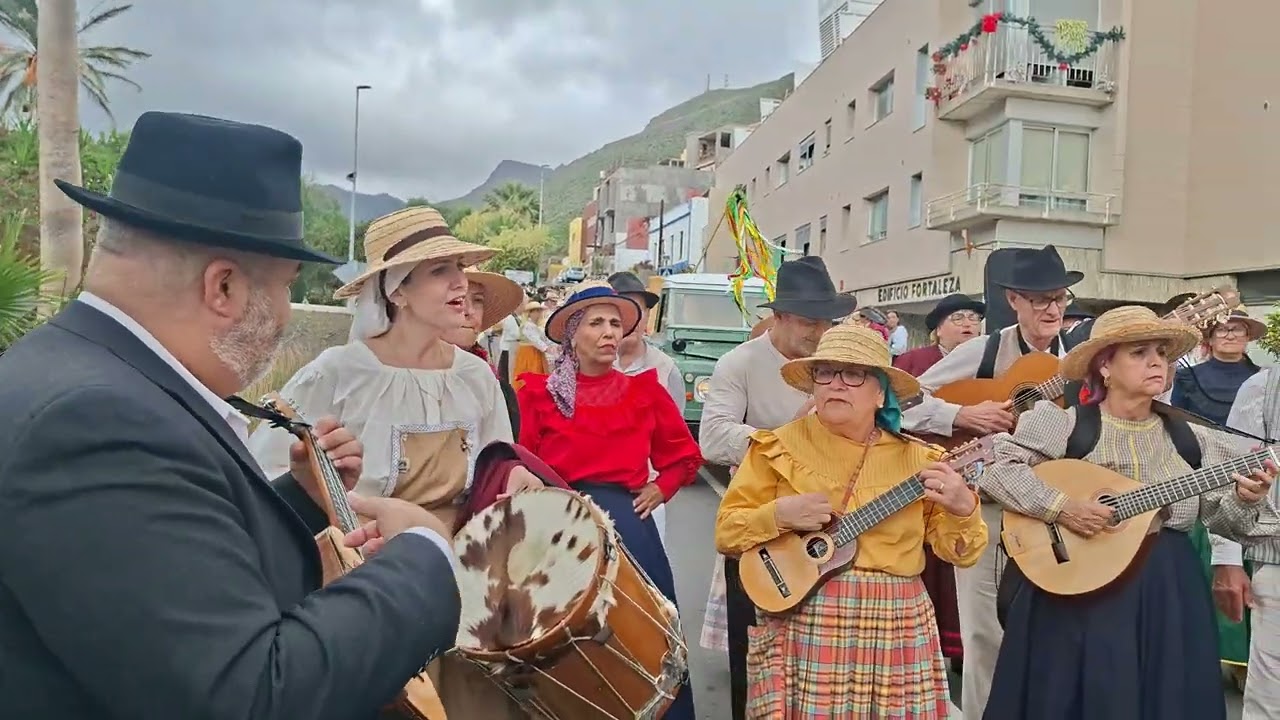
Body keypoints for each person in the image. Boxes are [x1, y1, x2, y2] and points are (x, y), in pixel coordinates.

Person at [0, 112, 460, 719]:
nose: (286, 315)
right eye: (285, 287)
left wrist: (296, 498)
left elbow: (163, 563)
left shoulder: (82, 371)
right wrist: (425, 553)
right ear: (223, 288)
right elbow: (253, 696)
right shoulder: (95, 422)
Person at [247, 206, 529, 717]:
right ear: (396, 290)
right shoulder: (340, 372)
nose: (461, 284)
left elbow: (492, 475)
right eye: (440, 271)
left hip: (461, 583)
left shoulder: (475, 377)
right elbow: (264, 478)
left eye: (461, 269)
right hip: (369, 584)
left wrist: (516, 483)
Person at [982, 305, 1279, 720]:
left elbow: (1226, 521)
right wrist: (1062, 506)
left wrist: (1247, 499)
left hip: (1167, 585)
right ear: (1104, 366)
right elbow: (997, 472)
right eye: (1140, 352)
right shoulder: (1066, 424)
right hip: (1077, 584)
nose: (1157, 362)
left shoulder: (1192, 439)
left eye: (1163, 353)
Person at [716, 321, 987, 718]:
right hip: (808, 617)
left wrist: (964, 508)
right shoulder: (777, 448)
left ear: (881, 393)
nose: (836, 384)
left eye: (854, 374)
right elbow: (726, 532)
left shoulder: (922, 461)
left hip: (898, 623)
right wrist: (779, 514)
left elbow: (960, 553)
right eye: (825, 373)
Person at [901, 244, 1082, 719]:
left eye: (1060, 299)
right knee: (984, 631)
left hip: (1057, 504)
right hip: (984, 503)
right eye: (1040, 299)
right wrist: (962, 412)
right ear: (1014, 301)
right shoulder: (983, 350)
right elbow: (905, 402)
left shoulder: (1082, 360)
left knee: (1058, 629)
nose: (1052, 309)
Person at [516, 282, 702, 720]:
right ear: (572, 334)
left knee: (649, 632)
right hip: (560, 527)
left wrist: (661, 488)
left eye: (615, 323)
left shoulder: (645, 392)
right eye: (596, 323)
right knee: (564, 638)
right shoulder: (539, 395)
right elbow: (521, 462)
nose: (609, 333)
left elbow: (683, 456)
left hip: (626, 525)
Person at [698, 255, 856, 720]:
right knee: (754, 648)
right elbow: (713, 437)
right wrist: (786, 438)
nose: (818, 332)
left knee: (822, 653)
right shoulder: (740, 363)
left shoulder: (836, 362)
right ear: (780, 316)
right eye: (809, 322)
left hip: (832, 523)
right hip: (757, 525)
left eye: (826, 322)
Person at [893, 291, 987, 667]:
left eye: (973, 318)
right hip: (923, 471)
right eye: (958, 318)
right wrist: (958, 415)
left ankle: (965, 651)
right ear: (936, 331)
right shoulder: (914, 362)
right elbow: (899, 412)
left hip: (976, 471)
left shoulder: (988, 363)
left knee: (965, 552)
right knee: (928, 560)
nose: (967, 324)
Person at [1215, 360, 1280, 716]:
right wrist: (1227, 560)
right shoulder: (1263, 387)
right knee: (1270, 701)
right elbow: (1231, 476)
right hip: (1276, 561)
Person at [609, 270, 686, 547]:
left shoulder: (665, 370)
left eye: (637, 312)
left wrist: (661, 488)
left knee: (646, 584)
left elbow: (679, 447)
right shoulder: (582, 368)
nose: (630, 321)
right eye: (620, 311)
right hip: (589, 499)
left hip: (645, 501)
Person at [445, 269, 524, 433]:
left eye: (478, 300)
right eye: (455, 300)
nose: (469, 311)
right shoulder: (394, 381)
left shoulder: (497, 389)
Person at [1172, 309, 1265, 426]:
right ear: (1210, 339)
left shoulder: (1263, 378)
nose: (1230, 336)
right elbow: (1177, 423)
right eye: (1222, 330)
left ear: (1247, 337)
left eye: (1238, 330)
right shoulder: (1186, 377)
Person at [512, 301, 553, 390]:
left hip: (535, 351)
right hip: (528, 352)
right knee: (530, 370)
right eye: (535, 311)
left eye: (539, 311)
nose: (538, 313)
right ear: (529, 313)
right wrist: (546, 349)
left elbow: (542, 339)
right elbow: (534, 339)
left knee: (537, 370)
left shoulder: (535, 325)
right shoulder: (528, 325)